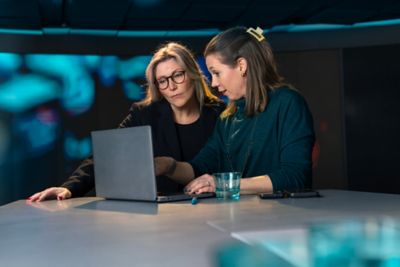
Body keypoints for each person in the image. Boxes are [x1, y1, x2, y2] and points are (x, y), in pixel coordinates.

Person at [29, 42, 224, 201]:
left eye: (177, 75)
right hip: (163, 213)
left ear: (192, 74)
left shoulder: (221, 115)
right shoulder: (145, 114)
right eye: (163, 80)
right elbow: (108, 155)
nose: (171, 86)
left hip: (213, 206)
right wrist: (69, 188)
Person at [155, 26, 315, 195]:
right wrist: (167, 165)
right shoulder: (227, 118)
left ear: (241, 65)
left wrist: (223, 184)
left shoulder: (288, 103)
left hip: (281, 218)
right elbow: (199, 167)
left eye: (216, 73)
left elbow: (295, 176)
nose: (214, 83)